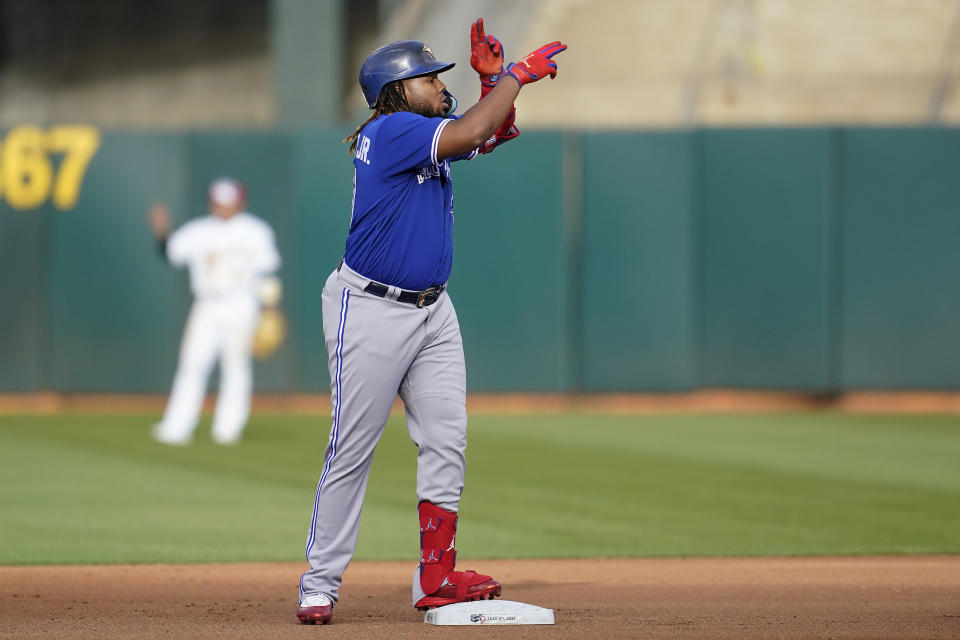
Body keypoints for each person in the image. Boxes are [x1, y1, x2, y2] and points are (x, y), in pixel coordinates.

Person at [296, 19, 566, 625]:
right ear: (397, 90)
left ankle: (436, 576)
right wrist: (516, 76)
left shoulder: (420, 131)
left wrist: (495, 83)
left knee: (446, 438)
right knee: (352, 449)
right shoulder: (392, 131)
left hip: (432, 310)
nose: (442, 84)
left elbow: (486, 135)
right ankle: (319, 582)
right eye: (429, 77)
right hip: (368, 307)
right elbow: (472, 126)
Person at [147, 177, 281, 446]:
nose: (224, 208)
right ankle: (177, 427)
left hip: (242, 302)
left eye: (229, 202)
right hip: (207, 303)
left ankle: (228, 430)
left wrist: (270, 310)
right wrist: (162, 233)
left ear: (240, 202)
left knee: (236, 366)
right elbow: (171, 252)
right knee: (192, 363)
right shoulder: (199, 230)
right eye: (219, 202)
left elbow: (268, 272)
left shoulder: (255, 230)